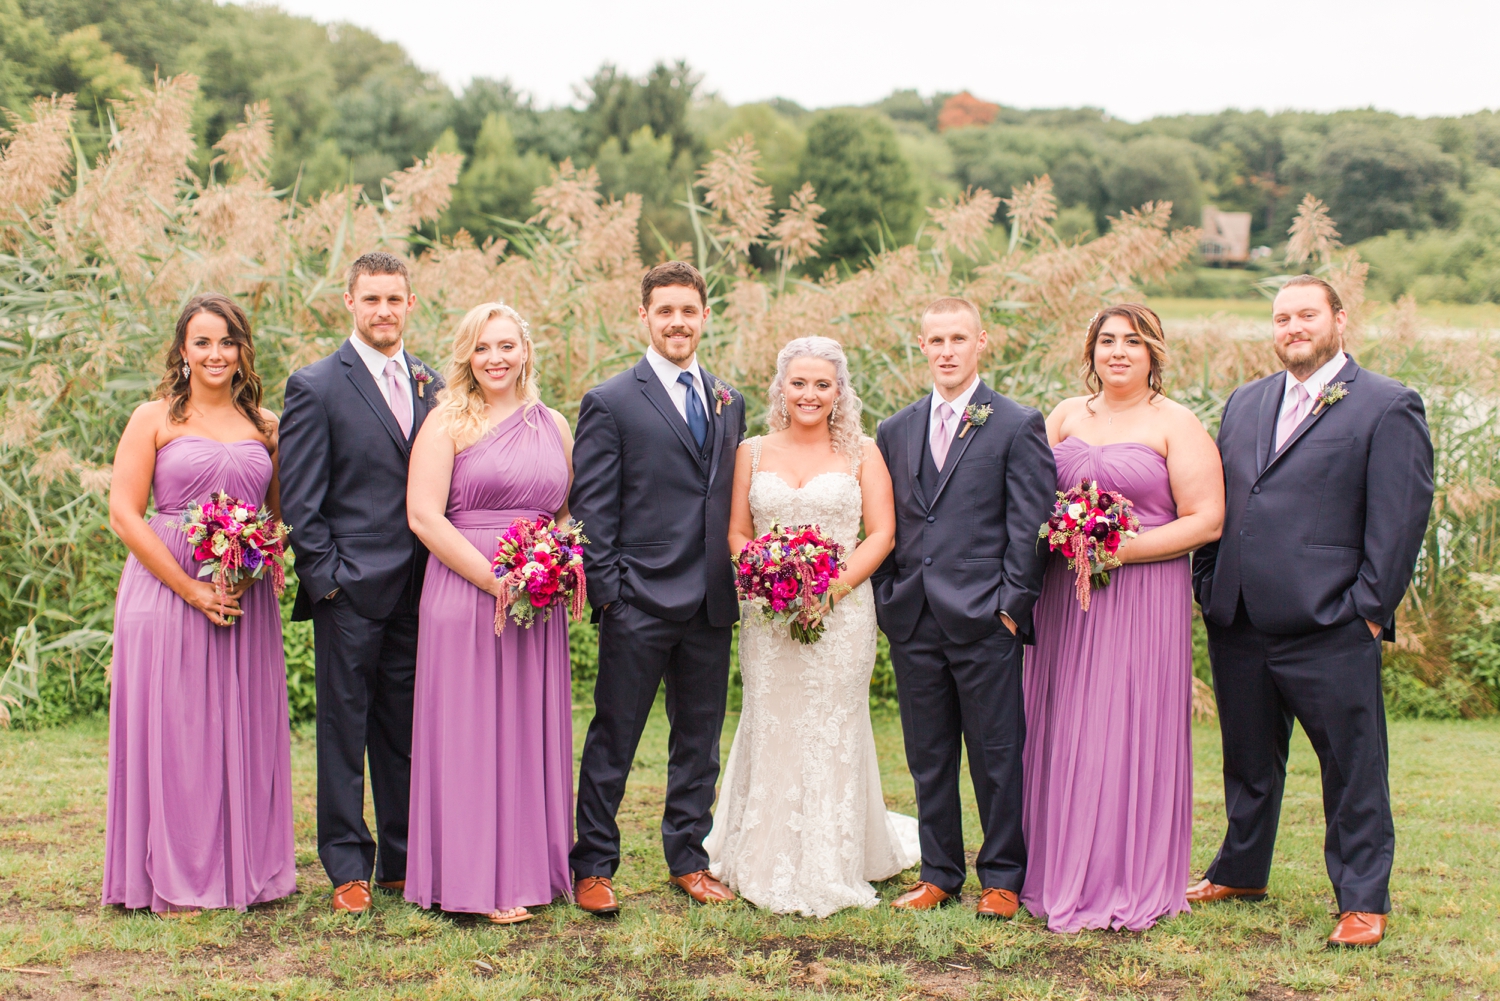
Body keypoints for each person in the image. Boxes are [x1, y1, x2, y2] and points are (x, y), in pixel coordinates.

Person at [1190, 275, 1433, 948]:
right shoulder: (1244, 402)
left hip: (1331, 623)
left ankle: (1361, 898)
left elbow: (1400, 518)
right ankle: (1240, 870)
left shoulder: (1386, 405)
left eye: (1305, 314)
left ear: (1338, 320)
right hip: (1238, 618)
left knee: (1352, 765)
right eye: (1280, 318)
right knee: (1246, 759)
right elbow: (1223, 501)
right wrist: (1208, 587)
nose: (1292, 326)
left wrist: (1369, 611)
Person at [1021, 304, 1224, 932]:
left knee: (1120, 726)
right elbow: (1028, 497)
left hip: (1141, 598)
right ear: (1091, 352)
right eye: (1107, 341)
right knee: (1061, 724)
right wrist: (1060, 537)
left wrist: (1118, 548)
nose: (1118, 352)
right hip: (1064, 598)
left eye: (1132, 342)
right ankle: (1054, 868)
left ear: (1153, 353)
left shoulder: (1177, 424)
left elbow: (1206, 520)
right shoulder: (1063, 416)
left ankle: (1125, 872)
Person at [705, 336, 921, 917]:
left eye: (822, 384)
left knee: (831, 723)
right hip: (769, 616)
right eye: (798, 382)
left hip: (843, 613)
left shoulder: (862, 453)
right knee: (772, 717)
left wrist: (831, 589)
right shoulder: (750, 452)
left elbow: (881, 534)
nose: (809, 394)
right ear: (781, 387)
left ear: (839, 391)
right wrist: (766, 577)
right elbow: (736, 534)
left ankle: (833, 858)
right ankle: (760, 851)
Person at [103, 293, 295, 914]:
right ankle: (175, 876)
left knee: (242, 725)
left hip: (242, 593)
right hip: (166, 589)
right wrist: (189, 588)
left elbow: (276, 516)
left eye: (228, 342)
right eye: (203, 342)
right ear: (183, 351)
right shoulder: (153, 417)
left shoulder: (267, 425)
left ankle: (245, 868)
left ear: (243, 351)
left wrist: (262, 557)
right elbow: (124, 515)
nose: (216, 354)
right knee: (178, 732)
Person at [569, 261, 745, 914]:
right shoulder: (611, 400)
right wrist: (612, 592)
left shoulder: (729, 398)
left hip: (709, 601)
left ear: (704, 314)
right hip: (637, 600)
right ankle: (592, 863)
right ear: (644, 315)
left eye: (688, 309)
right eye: (665, 310)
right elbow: (593, 506)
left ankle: (688, 857)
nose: (677, 321)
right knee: (614, 736)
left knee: (698, 741)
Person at [872, 297, 1056, 918]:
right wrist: (887, 597)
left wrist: (1011, 606)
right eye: (935, 340)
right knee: (928, 755)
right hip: (913, 616)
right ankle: (940, 873)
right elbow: (889, 521)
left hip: (985, 618)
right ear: (921, 347)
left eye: (958, 338)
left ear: (982, 341)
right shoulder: (894, 430)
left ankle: (1002, 876)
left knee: (996, 753)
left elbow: (1029, 524)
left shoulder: (1015, 423)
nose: (946, 350)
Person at [278, 252, 444, 915]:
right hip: (350, 589)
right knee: (344, 730)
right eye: (371, 298)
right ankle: (348, 862)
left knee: (404, 729)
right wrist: (328, 583)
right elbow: (302, 498)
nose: (384, 310)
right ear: (348, 301)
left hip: (420, 588)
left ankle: (401, 858)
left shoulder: (434, 383)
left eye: (395, 299)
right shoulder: (316, 385)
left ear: (410, 303)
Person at [402, 303, 576, 924]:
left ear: (525, 350)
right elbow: (424, 515)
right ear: (467, 357)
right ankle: (476, 880)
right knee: (471, 734)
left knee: (525, 730)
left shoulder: (554, 423)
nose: (496, 358)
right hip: (468, 589)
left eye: (507, 345)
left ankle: (531, 868)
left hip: (536, 596)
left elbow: (562, 511)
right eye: (483, 348)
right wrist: (496, 580)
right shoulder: (446, 420)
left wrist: (555, 559)